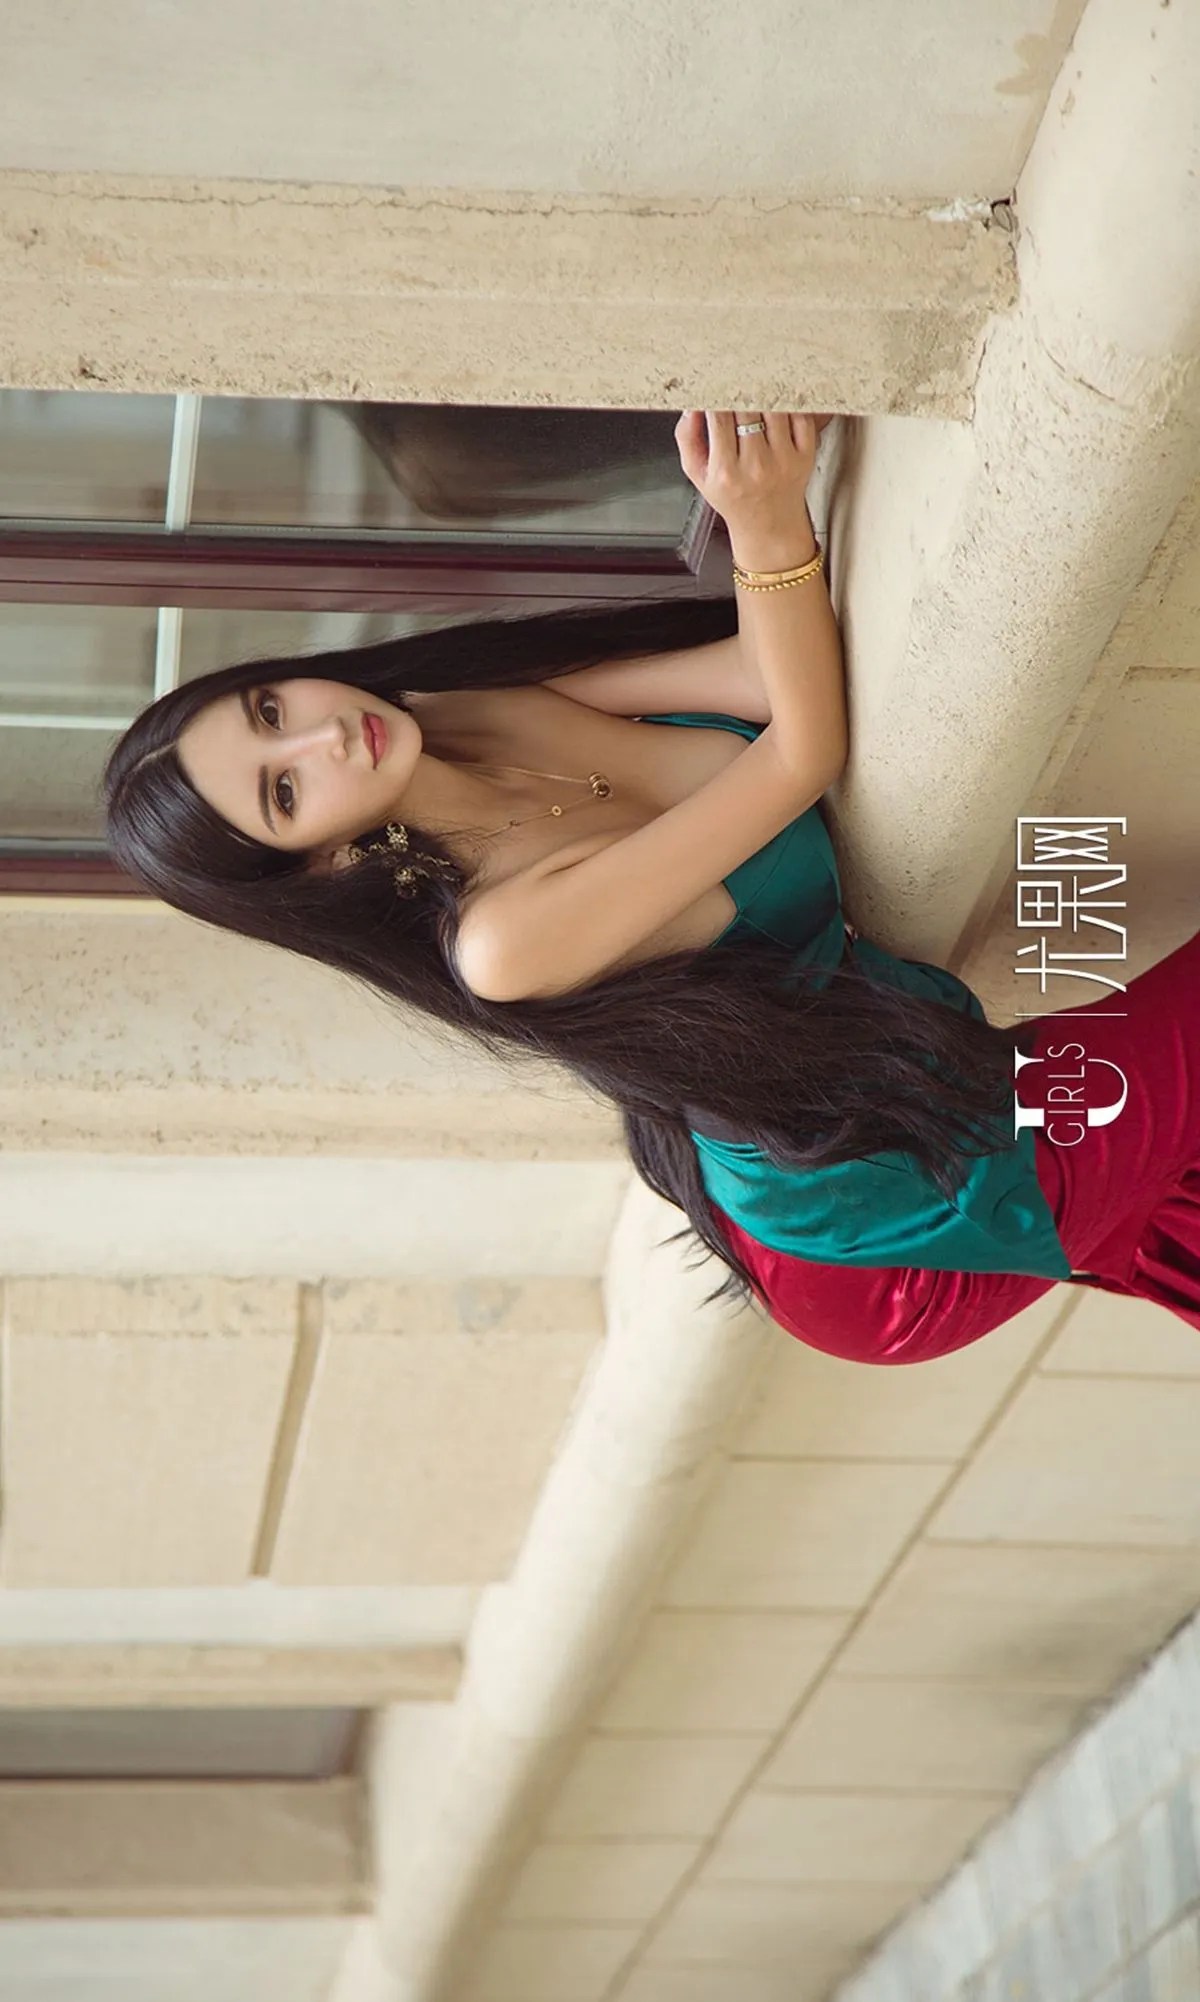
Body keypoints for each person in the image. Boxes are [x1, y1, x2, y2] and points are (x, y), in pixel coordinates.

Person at [104, 411, 1200, 1364]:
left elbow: (755, 675)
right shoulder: (503, 942)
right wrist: (763, 520)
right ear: (318, 865)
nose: (323, 737)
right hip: (886, 1226)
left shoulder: (458, 713)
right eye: (285, 790)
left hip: (895, 1102)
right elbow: (798, 753)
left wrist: (755, 476)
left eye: (269, 712)